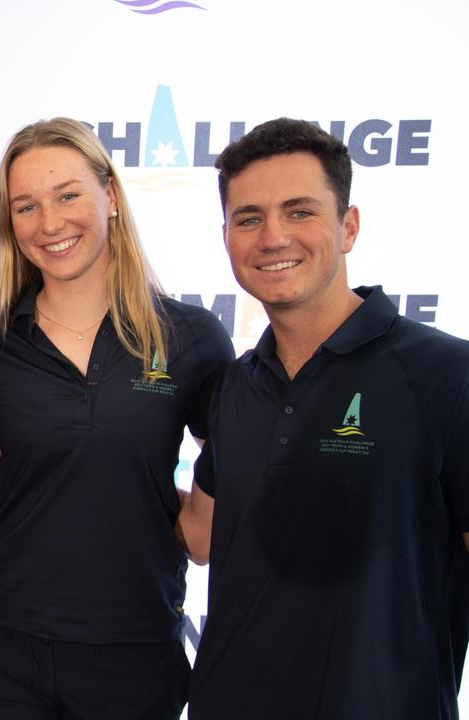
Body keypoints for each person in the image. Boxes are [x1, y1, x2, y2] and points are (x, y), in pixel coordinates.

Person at [0, 117, 232, 720]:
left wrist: (177, 517)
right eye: (25, 206)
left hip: (135, 648)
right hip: (0, 646)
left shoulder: (190, 337)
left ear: (111, 196)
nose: (50, 223)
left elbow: (228, 462)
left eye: (68, 195)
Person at [182, 118, 469, 718]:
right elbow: (202, 537)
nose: (273, 237)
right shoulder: (235, 384)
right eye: (249, 218)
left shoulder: (446, 374)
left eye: (300, 212)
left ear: (349, 227)